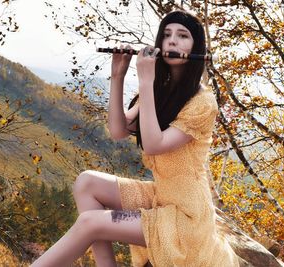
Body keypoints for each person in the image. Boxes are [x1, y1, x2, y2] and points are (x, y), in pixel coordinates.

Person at [31, 10, 239, 267]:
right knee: (86, 183)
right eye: (166, 35)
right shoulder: (159, 91)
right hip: (161, 197)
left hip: (186, 217)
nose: (172, 41)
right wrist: (118, 75)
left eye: (182, 36)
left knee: (90, 222)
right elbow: (118, 130)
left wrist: (145, 81)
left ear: (196, 46)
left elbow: (155, 144)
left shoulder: (203, 103)